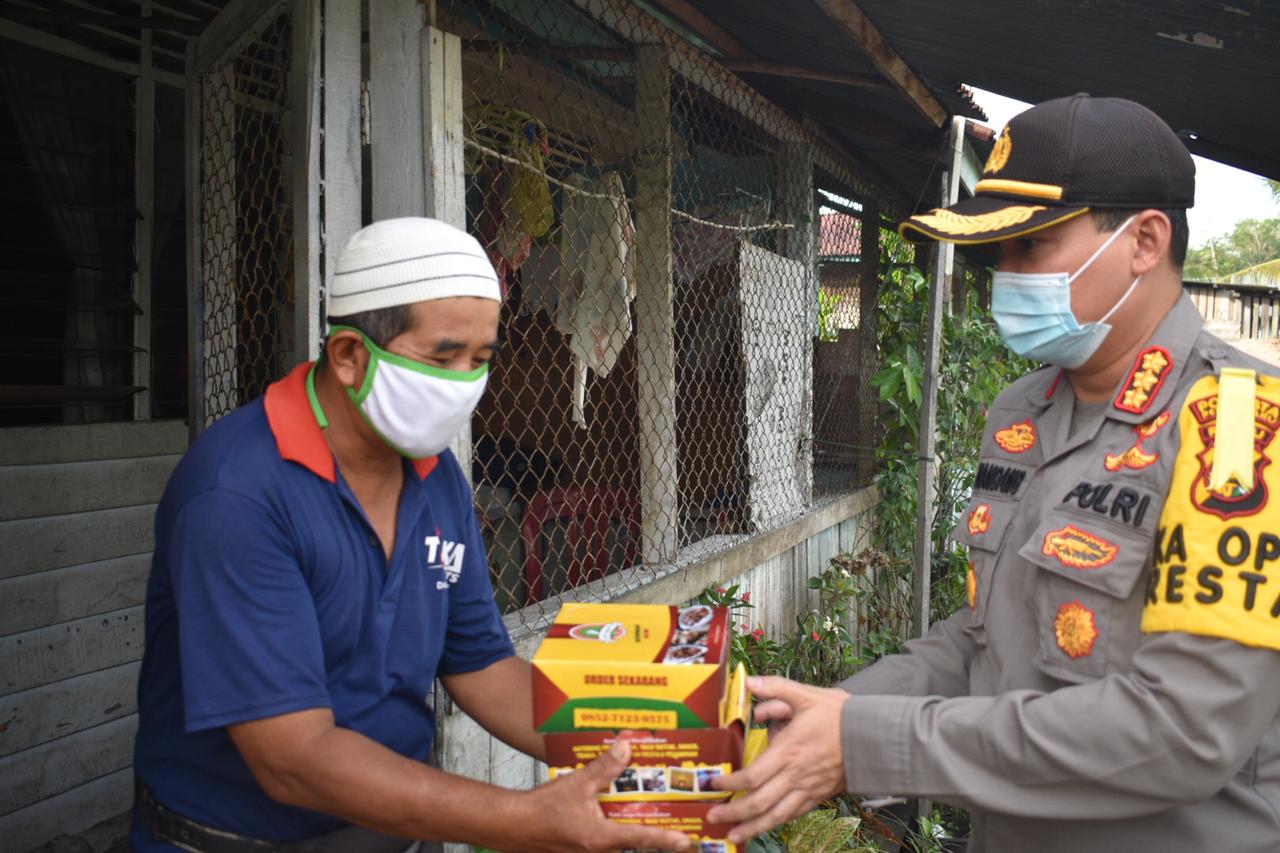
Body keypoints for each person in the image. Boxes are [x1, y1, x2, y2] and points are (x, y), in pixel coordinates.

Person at [707, 94, 1280, 852]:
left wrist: (870, 742)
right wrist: (826, 713)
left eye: (1030, 245)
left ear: (1144, 240)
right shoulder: (1023, 411)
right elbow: (985, 645)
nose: (1006, 275)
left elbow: (1183, 729)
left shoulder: (1237, 431)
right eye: (995, 253)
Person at [131, 217, 690, 853]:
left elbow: (481, 664)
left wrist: (651, 747)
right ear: (348, 357)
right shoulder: (238, 494)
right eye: (442, 354)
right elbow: (293, 758)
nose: (463, 382)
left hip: (403, 833)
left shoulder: (437, 478)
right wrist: (526, 819)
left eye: (480, 359)